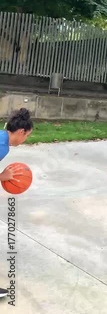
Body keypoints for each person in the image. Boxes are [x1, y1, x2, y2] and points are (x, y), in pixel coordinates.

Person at [0, 108, 33, 299]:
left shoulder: (1, 137)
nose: (25, 139)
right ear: (21, 132)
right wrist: (2, 176)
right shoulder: (2, 146)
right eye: (27, 136)